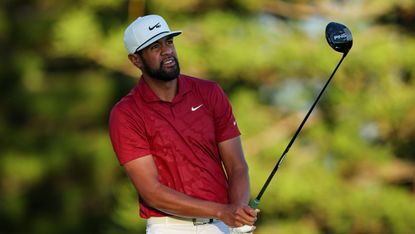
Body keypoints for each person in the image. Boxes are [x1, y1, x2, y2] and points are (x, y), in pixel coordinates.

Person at [109, 14, 258, 234]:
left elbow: (237, 165)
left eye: (169, 42)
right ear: (135, 60)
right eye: (154, 47)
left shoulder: (209, 92)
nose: (167, 51)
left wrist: (237, 212)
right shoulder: (126, 114)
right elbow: (152, 191)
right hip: (169, 227)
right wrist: (223, 212)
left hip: (221, 227)